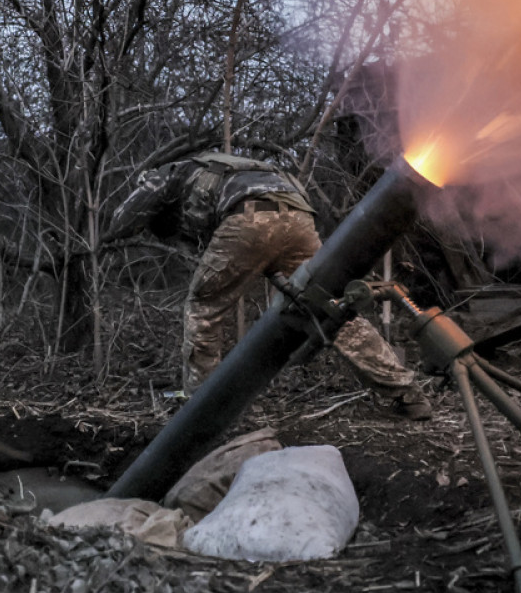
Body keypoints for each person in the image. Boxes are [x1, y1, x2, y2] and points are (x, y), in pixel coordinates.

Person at [105, 151, 432, 419]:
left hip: (249, 218)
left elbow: (122, 219)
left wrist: (102, 239)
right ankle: (407, 391)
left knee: (203, 308)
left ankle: (198, 407)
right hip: (299, 217)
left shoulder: (169, 172)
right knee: (328, 307)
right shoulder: (232, 169)